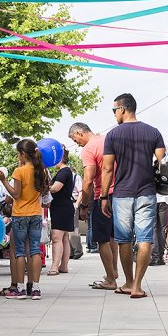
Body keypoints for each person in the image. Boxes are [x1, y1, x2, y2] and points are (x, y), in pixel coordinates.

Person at [101, 93, 165, 299]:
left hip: (122, 194)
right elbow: (163, 162)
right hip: (147, 192)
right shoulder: (153, 132)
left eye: (114, 111)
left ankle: (128, 282)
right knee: (145, 239)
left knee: (124, 240)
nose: (114, 115)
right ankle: (137, 286)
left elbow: (108, 169)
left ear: (122, 109)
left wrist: (103, 197)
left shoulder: (113, 135)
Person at [0, 139, 49, 300]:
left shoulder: (19, 171)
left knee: (19, 251)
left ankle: (19, 288)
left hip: (20, 215)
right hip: (36, 214)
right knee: (34, 250)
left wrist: (3, 180)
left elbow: (16, 195)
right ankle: (35, 288)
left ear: (23, 154)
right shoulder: (41, 170)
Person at [69, 122, 118, 291]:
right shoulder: (108, 140)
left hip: (101, 195)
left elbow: (88, 180)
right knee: (112, 236)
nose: (77, 144)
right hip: (118, 194)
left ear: (79, 132)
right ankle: (114, 272)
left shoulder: (89, 149)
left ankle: (110, 279)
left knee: (102, 240)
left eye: (76, 140)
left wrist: (84, 204)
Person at [48, 148, 75, 275]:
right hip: (64, 206)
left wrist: (44, 188)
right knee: (64, 237)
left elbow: (55, 188)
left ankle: (54, 266)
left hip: (61, 207)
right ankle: (63, 265)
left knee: (56, 237)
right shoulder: (66, 171)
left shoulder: (64, 171)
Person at [150, 194, 168, 265]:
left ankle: (155, 257)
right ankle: (160, 257)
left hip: (152, 199)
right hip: (164, 201)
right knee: (162, 229)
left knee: (153, 228)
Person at [69, 170, 84, 260]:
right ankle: (71, 251)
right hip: (67, 204)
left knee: (74, 228)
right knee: (67, 229)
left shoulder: (76, 177)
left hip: (73, 202)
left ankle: (78, 250)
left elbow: (81, 192)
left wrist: (77, 204)